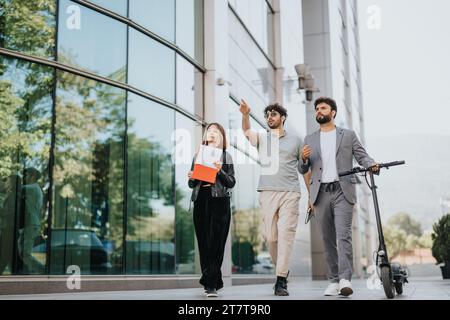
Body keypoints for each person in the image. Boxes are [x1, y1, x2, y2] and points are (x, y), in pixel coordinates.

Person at [300, 97, 379, 297]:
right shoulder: (309, 139)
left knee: (343, 236)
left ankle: (345, 279)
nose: (319, 111)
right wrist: (303, 158)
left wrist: (371, 164)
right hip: (320, 194)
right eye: (316, 108)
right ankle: (333, 281)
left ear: (333, 112)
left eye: (323, 108)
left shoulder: (348, 135)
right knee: (327, 239)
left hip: (343, 191)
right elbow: (303, 168)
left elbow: (362, 155)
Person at [239, 100, 307, 296]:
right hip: (267, 192)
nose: (270, 117)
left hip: (290, 192)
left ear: (282, 118)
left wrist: (311, 193)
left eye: (274, 114)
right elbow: (246, 131)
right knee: (271, 238)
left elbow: (304, 168)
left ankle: (280, 279)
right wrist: (245, 115)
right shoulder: (262, 138)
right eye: (268, 114)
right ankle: (283, 270)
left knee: (286, 234)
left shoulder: (296, 140)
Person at [188, 123, 236, 297]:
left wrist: (219, 171)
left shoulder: (226, 156)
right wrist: (191, 177)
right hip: (201, 200)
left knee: (217, 243)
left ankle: (209, 284)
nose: (212, 133)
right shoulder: (197, 155)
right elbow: (192, 184)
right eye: (210, 130)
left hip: (220, 201)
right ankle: (214, 281)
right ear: (206, 135)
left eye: (216, 131)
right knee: (204, 243)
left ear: (221, 136)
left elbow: (231, 182)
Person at [18, 167, 44, 274]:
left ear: (32, 176)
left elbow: (17, 188)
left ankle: (42, 270)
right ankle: (33, 270)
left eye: (26, 175)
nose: (24, 177)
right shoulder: (32, 188)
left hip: (31, 224)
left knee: (25, 253)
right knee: (21, 251)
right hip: (29, 224)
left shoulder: (33, 188)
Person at [0, 175, 22, 274]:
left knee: (5, 253)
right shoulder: (12, 195)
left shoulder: (14, 196)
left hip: (9, 229)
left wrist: (1, 210)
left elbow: (12, 212)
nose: (6, 183)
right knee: (10, 255)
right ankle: (20, 274)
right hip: (8, 228)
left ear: (12, 183)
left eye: (8, 181)